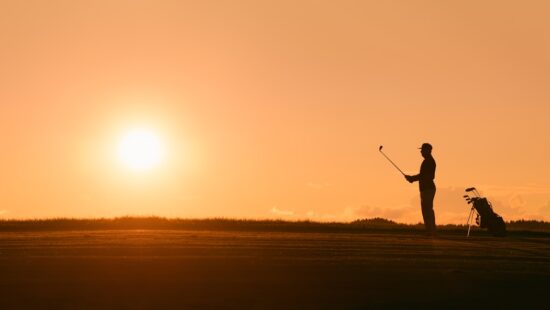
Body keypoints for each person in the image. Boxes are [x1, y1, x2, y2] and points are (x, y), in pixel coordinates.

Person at [405, 143, 437, 236]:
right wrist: (412, 178)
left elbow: (426, 176)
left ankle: (431, 231)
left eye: (422, 150)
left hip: (428, 189)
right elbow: (424, 176)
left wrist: (412, 178)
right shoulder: (428, 161)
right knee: (427, 210)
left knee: (427, 210)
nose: (421, 152)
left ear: (428, 151)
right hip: (426, 189)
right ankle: (430, 231)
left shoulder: (429, 161)